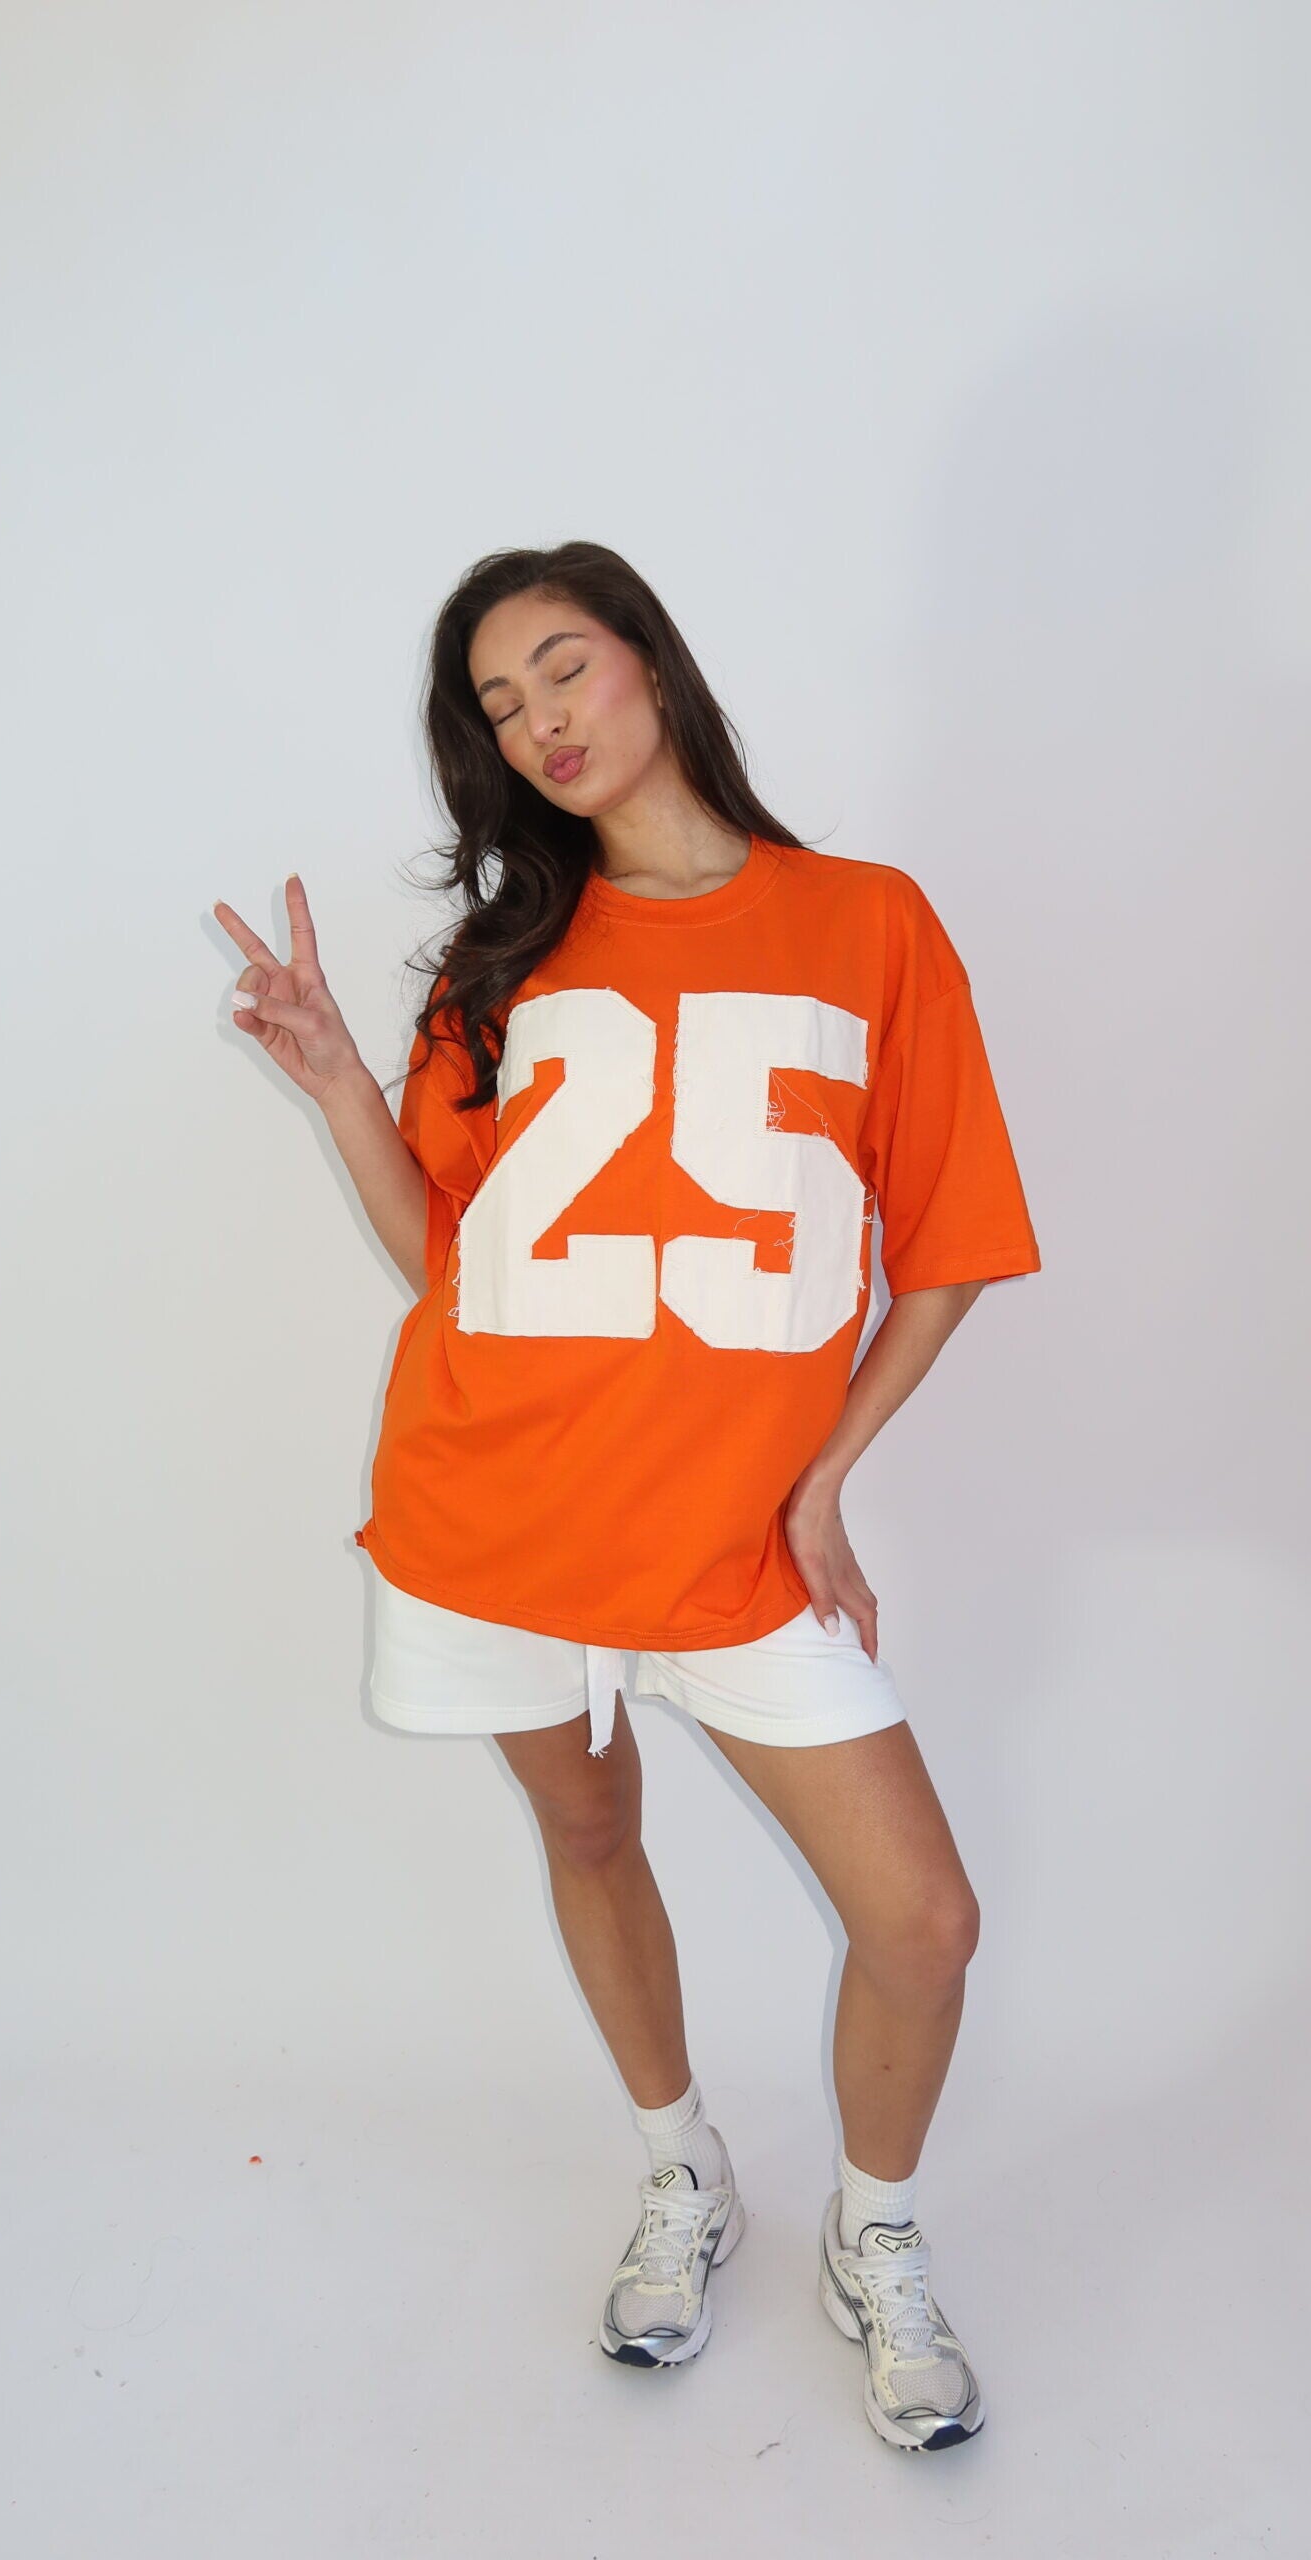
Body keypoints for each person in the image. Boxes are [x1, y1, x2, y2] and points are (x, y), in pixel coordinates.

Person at [213, 541, 1041, 2454]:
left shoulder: (866, 923)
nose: (541, 722)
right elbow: (454, 1264)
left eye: (563, 667)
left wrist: (829, 1477)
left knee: (922, 1919)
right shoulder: (504, 964)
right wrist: (342, 1085)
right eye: (500, 707)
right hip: (494, 1521)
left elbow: (947, 1250)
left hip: (737, 1543)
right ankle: (685, 2172)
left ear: (652, 661)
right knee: (589, 1833)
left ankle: (875, 2235)